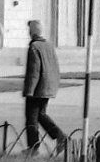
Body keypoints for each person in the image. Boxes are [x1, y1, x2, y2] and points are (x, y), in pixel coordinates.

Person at [23, 20, 67, 154]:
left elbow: (34, 71)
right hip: (48, 86)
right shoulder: (48, 45)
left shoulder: (34, 46)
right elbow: (55, 66)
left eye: (29, 30)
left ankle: (33, 147)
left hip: (37, 88)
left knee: (31, 117)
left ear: (32, 32)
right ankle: (60, 136)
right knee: (41, 114)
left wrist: (29, 90)